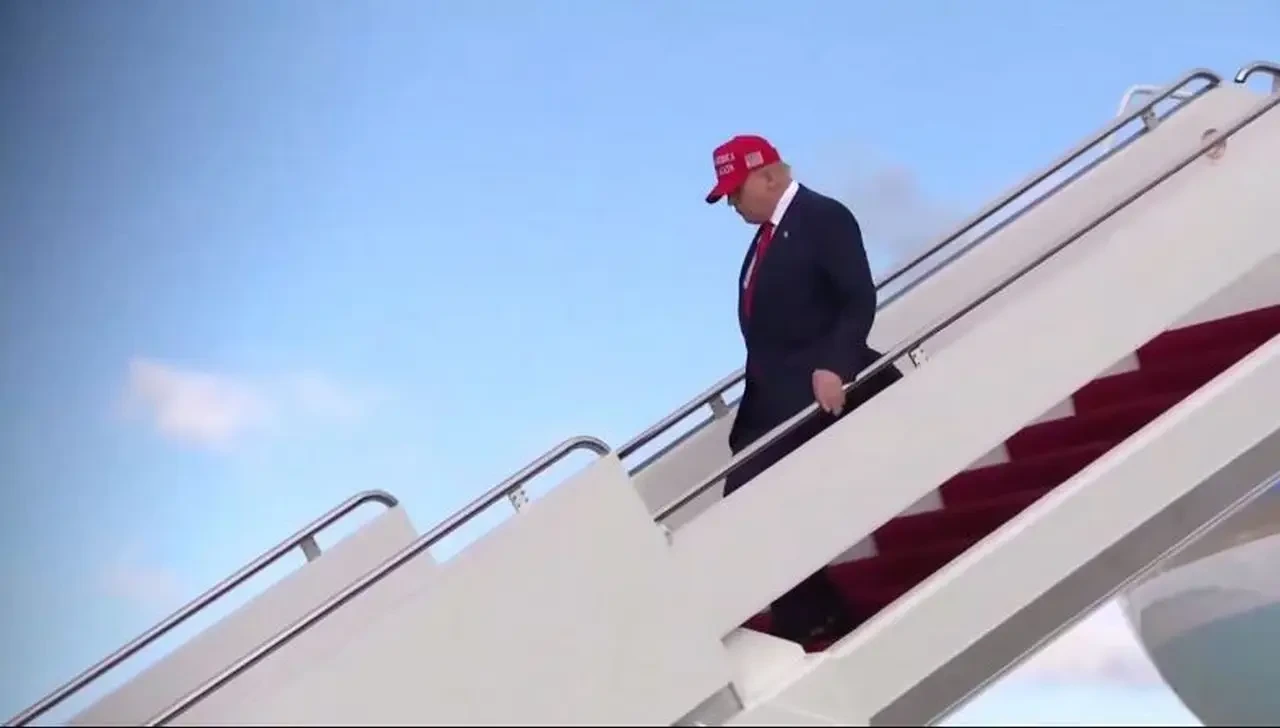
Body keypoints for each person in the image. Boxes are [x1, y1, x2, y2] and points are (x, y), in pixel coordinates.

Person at [704, 134, 903, 644]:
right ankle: (814, 613)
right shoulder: (763, 242)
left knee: (754, 502)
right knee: (753, 509)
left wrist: (835, 366)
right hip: (772, 403)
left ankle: (810, 621)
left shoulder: (821, 217)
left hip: (813, 392)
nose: (732, 203)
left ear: (769, 176)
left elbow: (857, 297)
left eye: (735, 190)